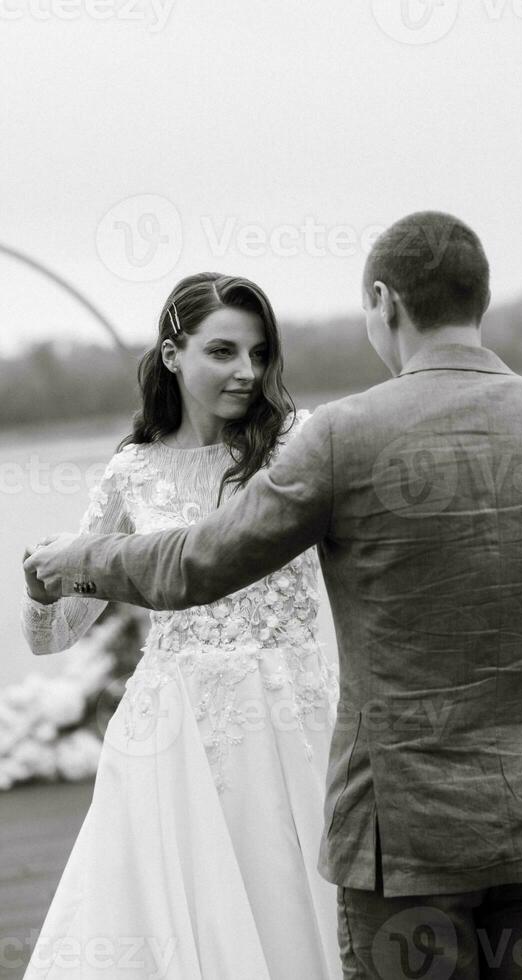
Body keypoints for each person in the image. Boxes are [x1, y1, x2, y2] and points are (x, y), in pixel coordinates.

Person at [26, 211, 522, 980]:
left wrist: (80, 556)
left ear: (384, 300)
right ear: (479, 297)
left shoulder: (337, 435)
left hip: (404, 824)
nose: (247, 370)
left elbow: (199, 564)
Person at [21, 272, 341, 980]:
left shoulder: (299, 444)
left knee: (294, 897)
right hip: (170, 730)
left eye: (259, 355)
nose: (246, 372)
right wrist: (40, 588)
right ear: (173, 354)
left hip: (293, 714)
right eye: (223, 351)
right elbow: (54, 636)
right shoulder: (132, 472)